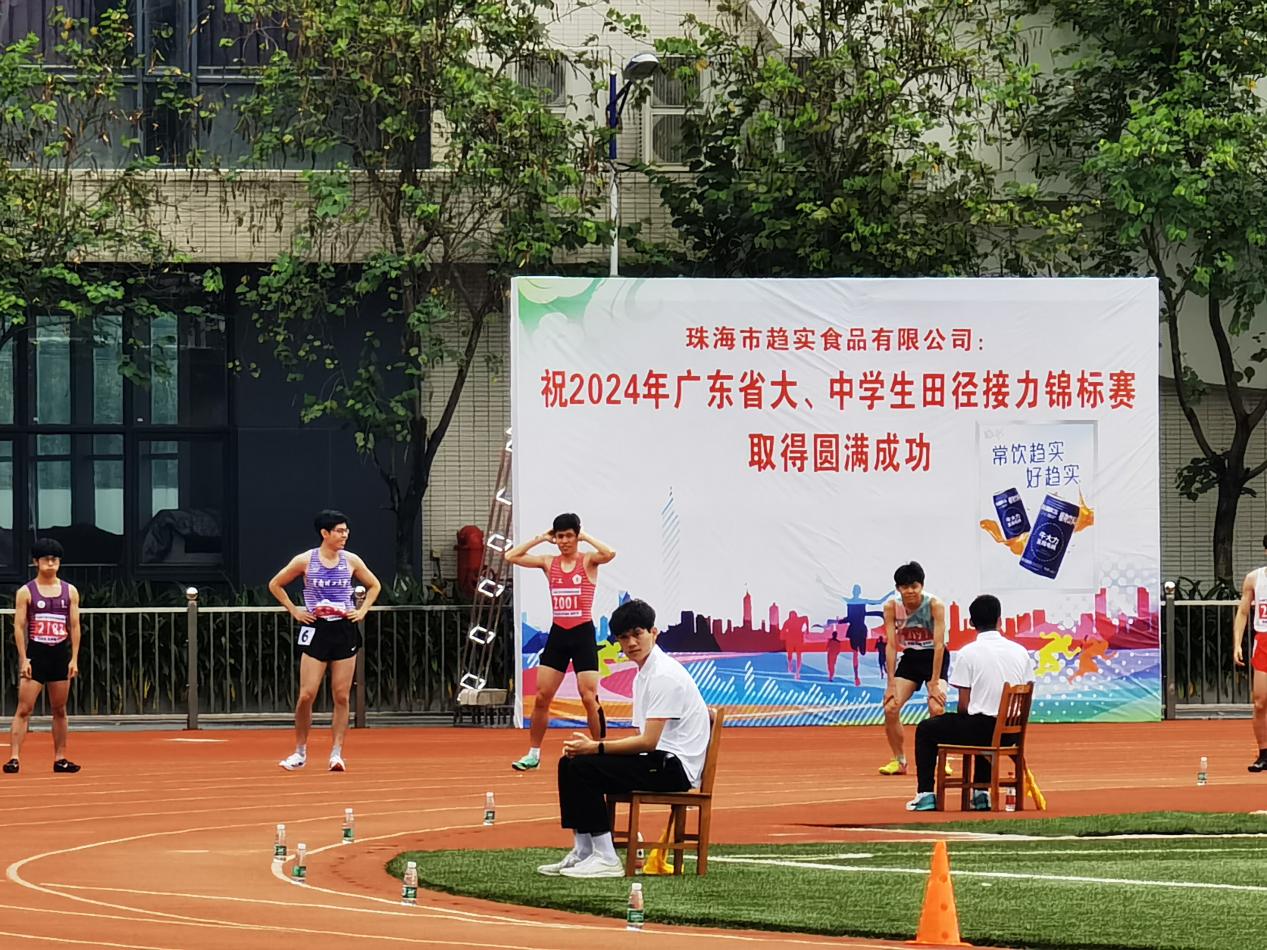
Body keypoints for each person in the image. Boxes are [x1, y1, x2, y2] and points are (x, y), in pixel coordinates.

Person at [537, 598, 711, 878]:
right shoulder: (644, 675)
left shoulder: (664, 675)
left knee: (584, 766)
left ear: (654, 632)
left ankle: (606, 857)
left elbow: (648, 742)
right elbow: (643, 741)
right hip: (658, 760)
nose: (631, 643)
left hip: (674, 768)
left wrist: (596, 748)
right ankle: (583, 850)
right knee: (569, 763)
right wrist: (593, 750)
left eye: (637, 634)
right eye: (623, 637)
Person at [269, 509, 381, 772]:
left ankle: (337, 753)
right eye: (339, 531)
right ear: (325, 533)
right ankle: (300, 752)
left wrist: (362, 611)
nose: (345, 535)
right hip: (316, 628)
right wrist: (295, 611)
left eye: (346, 531)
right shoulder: (305, 560)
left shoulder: (351, 560)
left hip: (344, 629)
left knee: (341, 695)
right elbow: (275, 584)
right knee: (306, 694)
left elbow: (374, 585)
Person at [505, 513, 615, 771]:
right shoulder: (548, 562)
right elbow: (511, 556)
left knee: (589, 696)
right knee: (542, 697)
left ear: (576, 536)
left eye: (569, 536)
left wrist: (585, 537)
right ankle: (533, 754)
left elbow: (609, 553)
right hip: (559, 634)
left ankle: (601, 750)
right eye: (560, 536)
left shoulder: (588, 561)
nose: (564, 541)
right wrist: (541, 538)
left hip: (582, 633)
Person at [905, 594, 1035, 811]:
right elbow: (1028, 688)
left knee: (928, 729)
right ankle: (981, 793)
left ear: (972, 622)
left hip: (983, 730)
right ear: (999, 620)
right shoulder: (1020, 652)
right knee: (982, 721)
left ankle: (925, 793)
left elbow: (964, 706)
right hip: (1011, 732)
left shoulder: (968, 653)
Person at [4, 538, 81, 774]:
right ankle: (14, 757)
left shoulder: (70, 591)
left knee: (60, 709)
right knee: (24, 708)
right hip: (36, 654)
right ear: (36, 562)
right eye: (46, 559)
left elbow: (75, 626)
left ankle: (60, 758)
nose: (51, 563)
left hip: (59, 654)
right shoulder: (26, 592)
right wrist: (24, 658)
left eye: (55, 559)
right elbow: (19, 626)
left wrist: (74, 659)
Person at [879, 561, 948, 775]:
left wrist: (934, 682)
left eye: (914, 586)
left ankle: (941, 760)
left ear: (921, 586)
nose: (910, 591)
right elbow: (891, 646)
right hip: (910, 658)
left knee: (936, 708)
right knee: (890, 707)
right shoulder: (891, 607)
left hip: (935, 658)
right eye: (904, 587)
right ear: (898, 588)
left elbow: (939, 645)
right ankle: (899, 760)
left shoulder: (935, 605)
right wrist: (891, 683)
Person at [1231, 538, 1267, 773]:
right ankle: (1264, 753)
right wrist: (1237, 643)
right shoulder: (1255, 578)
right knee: (1260, 702)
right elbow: (1243, 612)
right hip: (1263, 640)